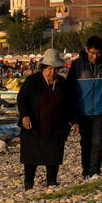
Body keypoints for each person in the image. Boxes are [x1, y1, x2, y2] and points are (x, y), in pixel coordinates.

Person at [16, 48, 79, 190]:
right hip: (33, 125)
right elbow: (22, 98)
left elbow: (70, 104)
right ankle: (28, 184)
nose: (52, 72)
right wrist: (25, 115)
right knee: (31, 155)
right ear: (43, 68)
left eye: (56, 69)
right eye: (49, 69)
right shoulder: (32, 81)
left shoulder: (62, 83)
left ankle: (51, 182)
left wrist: (74, 121)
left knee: (54, 153)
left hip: (56, 125)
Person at [64, 36, 102, 181]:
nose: (95, 56)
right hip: (82, 111)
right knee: (86, 143)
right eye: (92, 53)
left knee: (98, 143)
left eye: (97, 53)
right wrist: (73, 118)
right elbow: (70, 91)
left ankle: (95, 172)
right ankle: (86, 171)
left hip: (101, 110)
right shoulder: (76, 65)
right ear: (86, 50)